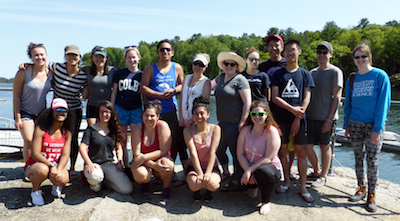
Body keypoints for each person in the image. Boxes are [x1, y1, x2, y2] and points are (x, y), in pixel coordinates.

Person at [344, 43, 391, 212]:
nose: (360, 60)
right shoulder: (352, 78)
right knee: (358, 158)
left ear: (369, 57)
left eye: (363, 56)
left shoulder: (380, 76)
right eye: (357, 57)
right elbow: (348, 103)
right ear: (354, 60)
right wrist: (346, 125)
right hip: (355, 124)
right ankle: (361, 187)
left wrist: (377, 129)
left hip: (373, 125)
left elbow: (383, 105)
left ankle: (372, 193)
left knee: (372, 161)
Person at [271, 40, 315, 202]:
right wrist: (292, 110)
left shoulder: (305, 74)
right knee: (282, 152)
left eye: (293, 50)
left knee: (301, 152)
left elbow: (307, 96)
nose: (290, 53)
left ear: (299, 52)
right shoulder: (277, 74)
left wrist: (298, 115)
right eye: (287, 50)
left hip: (300, 119)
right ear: (284, 53)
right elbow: (274, 97)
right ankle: (286, 180)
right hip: (281, 118)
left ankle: (303, 187)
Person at [140, 39, 186, 172]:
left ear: (172, 53)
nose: (165, 52)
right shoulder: (150, 69)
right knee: (154, 141)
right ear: (157, 53)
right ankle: (153, 169)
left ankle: (168, 169)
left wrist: (174, 90)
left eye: (167, 50)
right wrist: (158, 95)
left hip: (171, 110)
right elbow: (143, 88)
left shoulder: (176, 68)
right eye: (162, 50)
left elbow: (183, 85)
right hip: (154, 113)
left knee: (174, 140)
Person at [211, 52, 251, 190]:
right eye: (226, 64)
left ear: (236, 66)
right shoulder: (220, 78)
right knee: (219, 149)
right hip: (221, 122)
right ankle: (226, 172)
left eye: (232, 64)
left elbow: (247, 102)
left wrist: (243, 121)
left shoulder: (240, 79)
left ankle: (237, 177)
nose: (228, 66)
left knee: (236, 152)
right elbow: (206, 87)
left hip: (235, 124)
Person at [305, 41, 343, 187]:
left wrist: (329, 119)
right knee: (307, 147)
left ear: (330, 54)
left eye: (325, 52)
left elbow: (337, 97)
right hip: (311, 116)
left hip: (326, 117)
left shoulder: (335, 72)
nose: (321, 55)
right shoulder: (312, 73)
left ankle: (323, 175)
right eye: (319, 52)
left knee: (324, 146)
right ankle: (316, 170)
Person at [24, 98, 73, 206]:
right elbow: (35, 153)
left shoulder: (67, 132)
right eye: (57, 109)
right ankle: (36, 191)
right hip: (36, 165)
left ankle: (55, 184)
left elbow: (65, 155)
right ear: (51, 112)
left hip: (54, 166)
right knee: (42, 169)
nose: (61, 112)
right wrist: (51, 166)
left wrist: (59, 169)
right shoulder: (41, 129)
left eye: (64, 110)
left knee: (63, 178)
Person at [237, 100, 283, 215]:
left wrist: (249, 171)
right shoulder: (245, 130)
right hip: (250, 166)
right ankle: (254, 186)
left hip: (268, 168)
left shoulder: (272, 131)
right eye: (254, 114)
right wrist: (249, 171)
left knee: (264, 172)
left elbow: (268, 158)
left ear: (266, 115)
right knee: (234, 185)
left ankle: (265, 201)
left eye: (260, 114)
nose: (257, 117)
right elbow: (240, 154)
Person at [48, 45, 88, 179]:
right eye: (69, 55)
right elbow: (40, 65)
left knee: (72, 138)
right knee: (54, 136)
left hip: (74, 110)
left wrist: (86, 91)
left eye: (75, 55)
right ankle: (53, 164)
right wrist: (25, 65)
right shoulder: (57, 67)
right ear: (65, 56)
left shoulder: (83, 75)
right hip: (57, 109)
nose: (72, 58)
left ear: (79, 58)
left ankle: (72, 167)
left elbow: (88, 85)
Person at [79, 100, 133, 194]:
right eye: (102, 112)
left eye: (107, 112)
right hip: (94, 164)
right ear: (98, 113)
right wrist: (89, 163)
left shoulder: (114, 129)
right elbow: (82, 148)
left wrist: (120, 161)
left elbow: (118, 147)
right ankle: (94, 184)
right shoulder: (91, 129)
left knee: (126, 189)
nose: (104, 114)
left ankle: (105, 180)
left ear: (111, 114)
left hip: (109, 164)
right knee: (95, 178)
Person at [13, 43, 52, 167]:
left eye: (42, 54)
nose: (40, 57)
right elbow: (16, 96)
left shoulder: (50, 72)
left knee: (41, 141)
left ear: (46, 56)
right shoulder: (23, 72)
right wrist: (18, 118)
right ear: (31, 57)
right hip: (25, 112)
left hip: (42, 112)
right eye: (36, 55)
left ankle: (39, 166)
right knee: (29, 140)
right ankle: (28, 167)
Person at [178, 53, 211, 186]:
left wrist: (191, 121)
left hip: (195, 121)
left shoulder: (206, 82)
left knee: (195, 149)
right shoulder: (186, 78)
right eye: (196, 64)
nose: (197, 67)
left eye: (201, 65)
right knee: (181, 146)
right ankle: (186, 173)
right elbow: (181, 99)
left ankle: (199, 172)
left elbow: (204, 104)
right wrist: (181, 117)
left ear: (205, 67)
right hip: (183, 120)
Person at [130, 100, 174, 201]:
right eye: (146, 115)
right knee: (141, 174)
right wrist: (154, 166)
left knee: (167, 164)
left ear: (158, 117)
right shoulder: (137, 128)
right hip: (144, 163)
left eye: (152, 116)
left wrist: (145, 157)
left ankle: (166, 187)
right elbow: (137, 155)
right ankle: (146, 181)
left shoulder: (162, 126)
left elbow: (164, 150)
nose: (149, 118)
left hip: (158, 158)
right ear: (142, 116)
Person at [110, 45, 143, 167]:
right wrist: (112, 108)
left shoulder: (142, 75)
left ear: (138, 58)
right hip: (121, 108)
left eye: (134, 57)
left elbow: (143, 94)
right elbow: (114, 92)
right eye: (129, 57)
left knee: (136, 139)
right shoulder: (119, 74)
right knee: (122, 139)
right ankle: (124, 164)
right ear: (125, 59)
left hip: (135, 109)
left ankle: (136, 163)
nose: (132, 60)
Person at [184, 97, 221, 202]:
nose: (199, 116)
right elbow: (193, 153)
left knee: (212, 184)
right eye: (196, 114)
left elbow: (213, 151)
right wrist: (200, 173)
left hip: (212, 167)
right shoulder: (187, 130)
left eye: (202, 113)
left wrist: (208, 173)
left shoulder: (215, 129)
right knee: (195, 184)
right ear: (193, 115)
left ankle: (209, 191)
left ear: (208, 114)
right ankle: (197, 191)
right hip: (194, 168)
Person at [83, 46, 117, 126]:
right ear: (92, 57)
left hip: (107, 107)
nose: (99, 59)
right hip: (92, 105)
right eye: (96, 57)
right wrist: (85, 88)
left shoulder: (112, 71)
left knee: (106, 131)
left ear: (106, 58)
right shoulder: (86, 70)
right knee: (93, 130)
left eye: (101, 57)